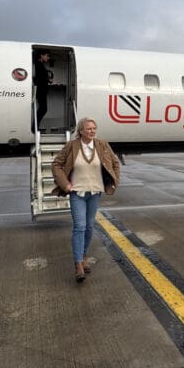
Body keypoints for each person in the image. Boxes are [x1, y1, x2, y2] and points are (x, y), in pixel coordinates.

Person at [51, 117, 121, 283]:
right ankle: (78, 265)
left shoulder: (102, 145)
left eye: (94, 128)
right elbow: (56, 165)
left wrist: (112, 182)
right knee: (80, 226)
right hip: (78, 193)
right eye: (88, 128)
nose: (92, 131)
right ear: (80, 131)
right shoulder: (72, 146)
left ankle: (83, 255)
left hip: (95, 192)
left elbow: (115, 163)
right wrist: (65, 183)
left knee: (89, 226)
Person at [33, 51, 51, 131]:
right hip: (41, 90)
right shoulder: (38, 64)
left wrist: (48, 80)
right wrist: (47, 80)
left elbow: (41, 77)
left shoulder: (40, 64)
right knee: (43, 108)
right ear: (41, 55)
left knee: (43, 108)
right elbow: (38, 78)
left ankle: (36, 127)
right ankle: (35, 127)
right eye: (47, 55)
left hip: (42, 90)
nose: (48, 57)